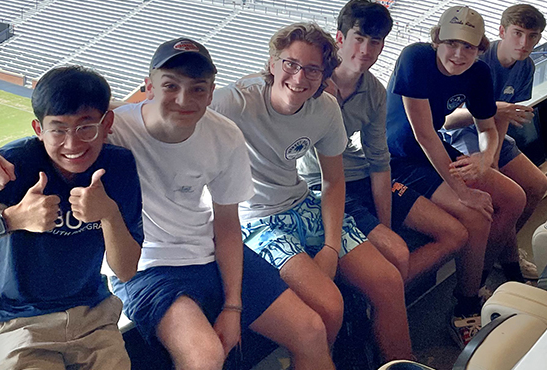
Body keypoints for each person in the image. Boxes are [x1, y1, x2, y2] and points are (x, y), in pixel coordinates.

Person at [0, 40, 335, 370]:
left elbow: (227, 226)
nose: (184, 100)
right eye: (170, 85)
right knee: (204, 357)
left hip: (210, 252)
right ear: (148, 85)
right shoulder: (114, 127)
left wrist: (233, 306)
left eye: (197, 88)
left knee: (312, 331)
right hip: (148, 266)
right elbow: (59, 137)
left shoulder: (225, 136)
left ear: (211, 90)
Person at [0, 65, 142, 370]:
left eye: (85, 127)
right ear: (39, 130)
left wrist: (109, 214)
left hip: (92, 318)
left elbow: (126, 270)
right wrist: (10, 220)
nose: (72, 144)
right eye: (58, 129)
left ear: (107, 123)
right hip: (16, 324)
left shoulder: (119, 166)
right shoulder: (12, 167)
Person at [211, 22, 412, 361]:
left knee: (389, 281)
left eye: (313, 69)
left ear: (324, 74)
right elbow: (178, 119)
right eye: (291, 64)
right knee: (328, 305)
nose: (299, 78)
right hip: (257, 219)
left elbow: (333, 180)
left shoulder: (325, 109)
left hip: (304, 203)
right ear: (273, 63)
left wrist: (332, 248)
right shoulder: (235, 102)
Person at [298, 0, 468, 289]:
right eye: (358, 39)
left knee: (456, 234)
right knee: (397, 251)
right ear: (340, 38)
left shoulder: (374, 91)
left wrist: (386, 225)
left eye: (374, 42)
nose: (365, 50)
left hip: (361, 175)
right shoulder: (309, 81)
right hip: (321, 184)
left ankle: (378, 297)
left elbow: (379, 161)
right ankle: (381, 298)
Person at [385, 5, 529, 346]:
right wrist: (463, 191)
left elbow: (488, 129)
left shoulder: (478, 73)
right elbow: (422, 134)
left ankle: (474, 280)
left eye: (468, 46)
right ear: (437, 40)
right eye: (451, 43)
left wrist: (485, 158)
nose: (458, 54)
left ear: (480, 48)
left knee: (515, 198)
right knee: (476, 216)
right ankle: (465, 307)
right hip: (400, 158)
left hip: (432, 152)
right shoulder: (415, 58)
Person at [443, 4, 547, 237]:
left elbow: (504, 118)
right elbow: (447, 121)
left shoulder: (526, 67)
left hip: (491, 133)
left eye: (532, 36)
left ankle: (502, 245)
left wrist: (495, 156)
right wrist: (494, 109)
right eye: (517, 33)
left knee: (538, 185)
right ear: (502, 32)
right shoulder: (478, 59)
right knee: (505, 196)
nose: (524, 43)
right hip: (459, 135)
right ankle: (505, 256)